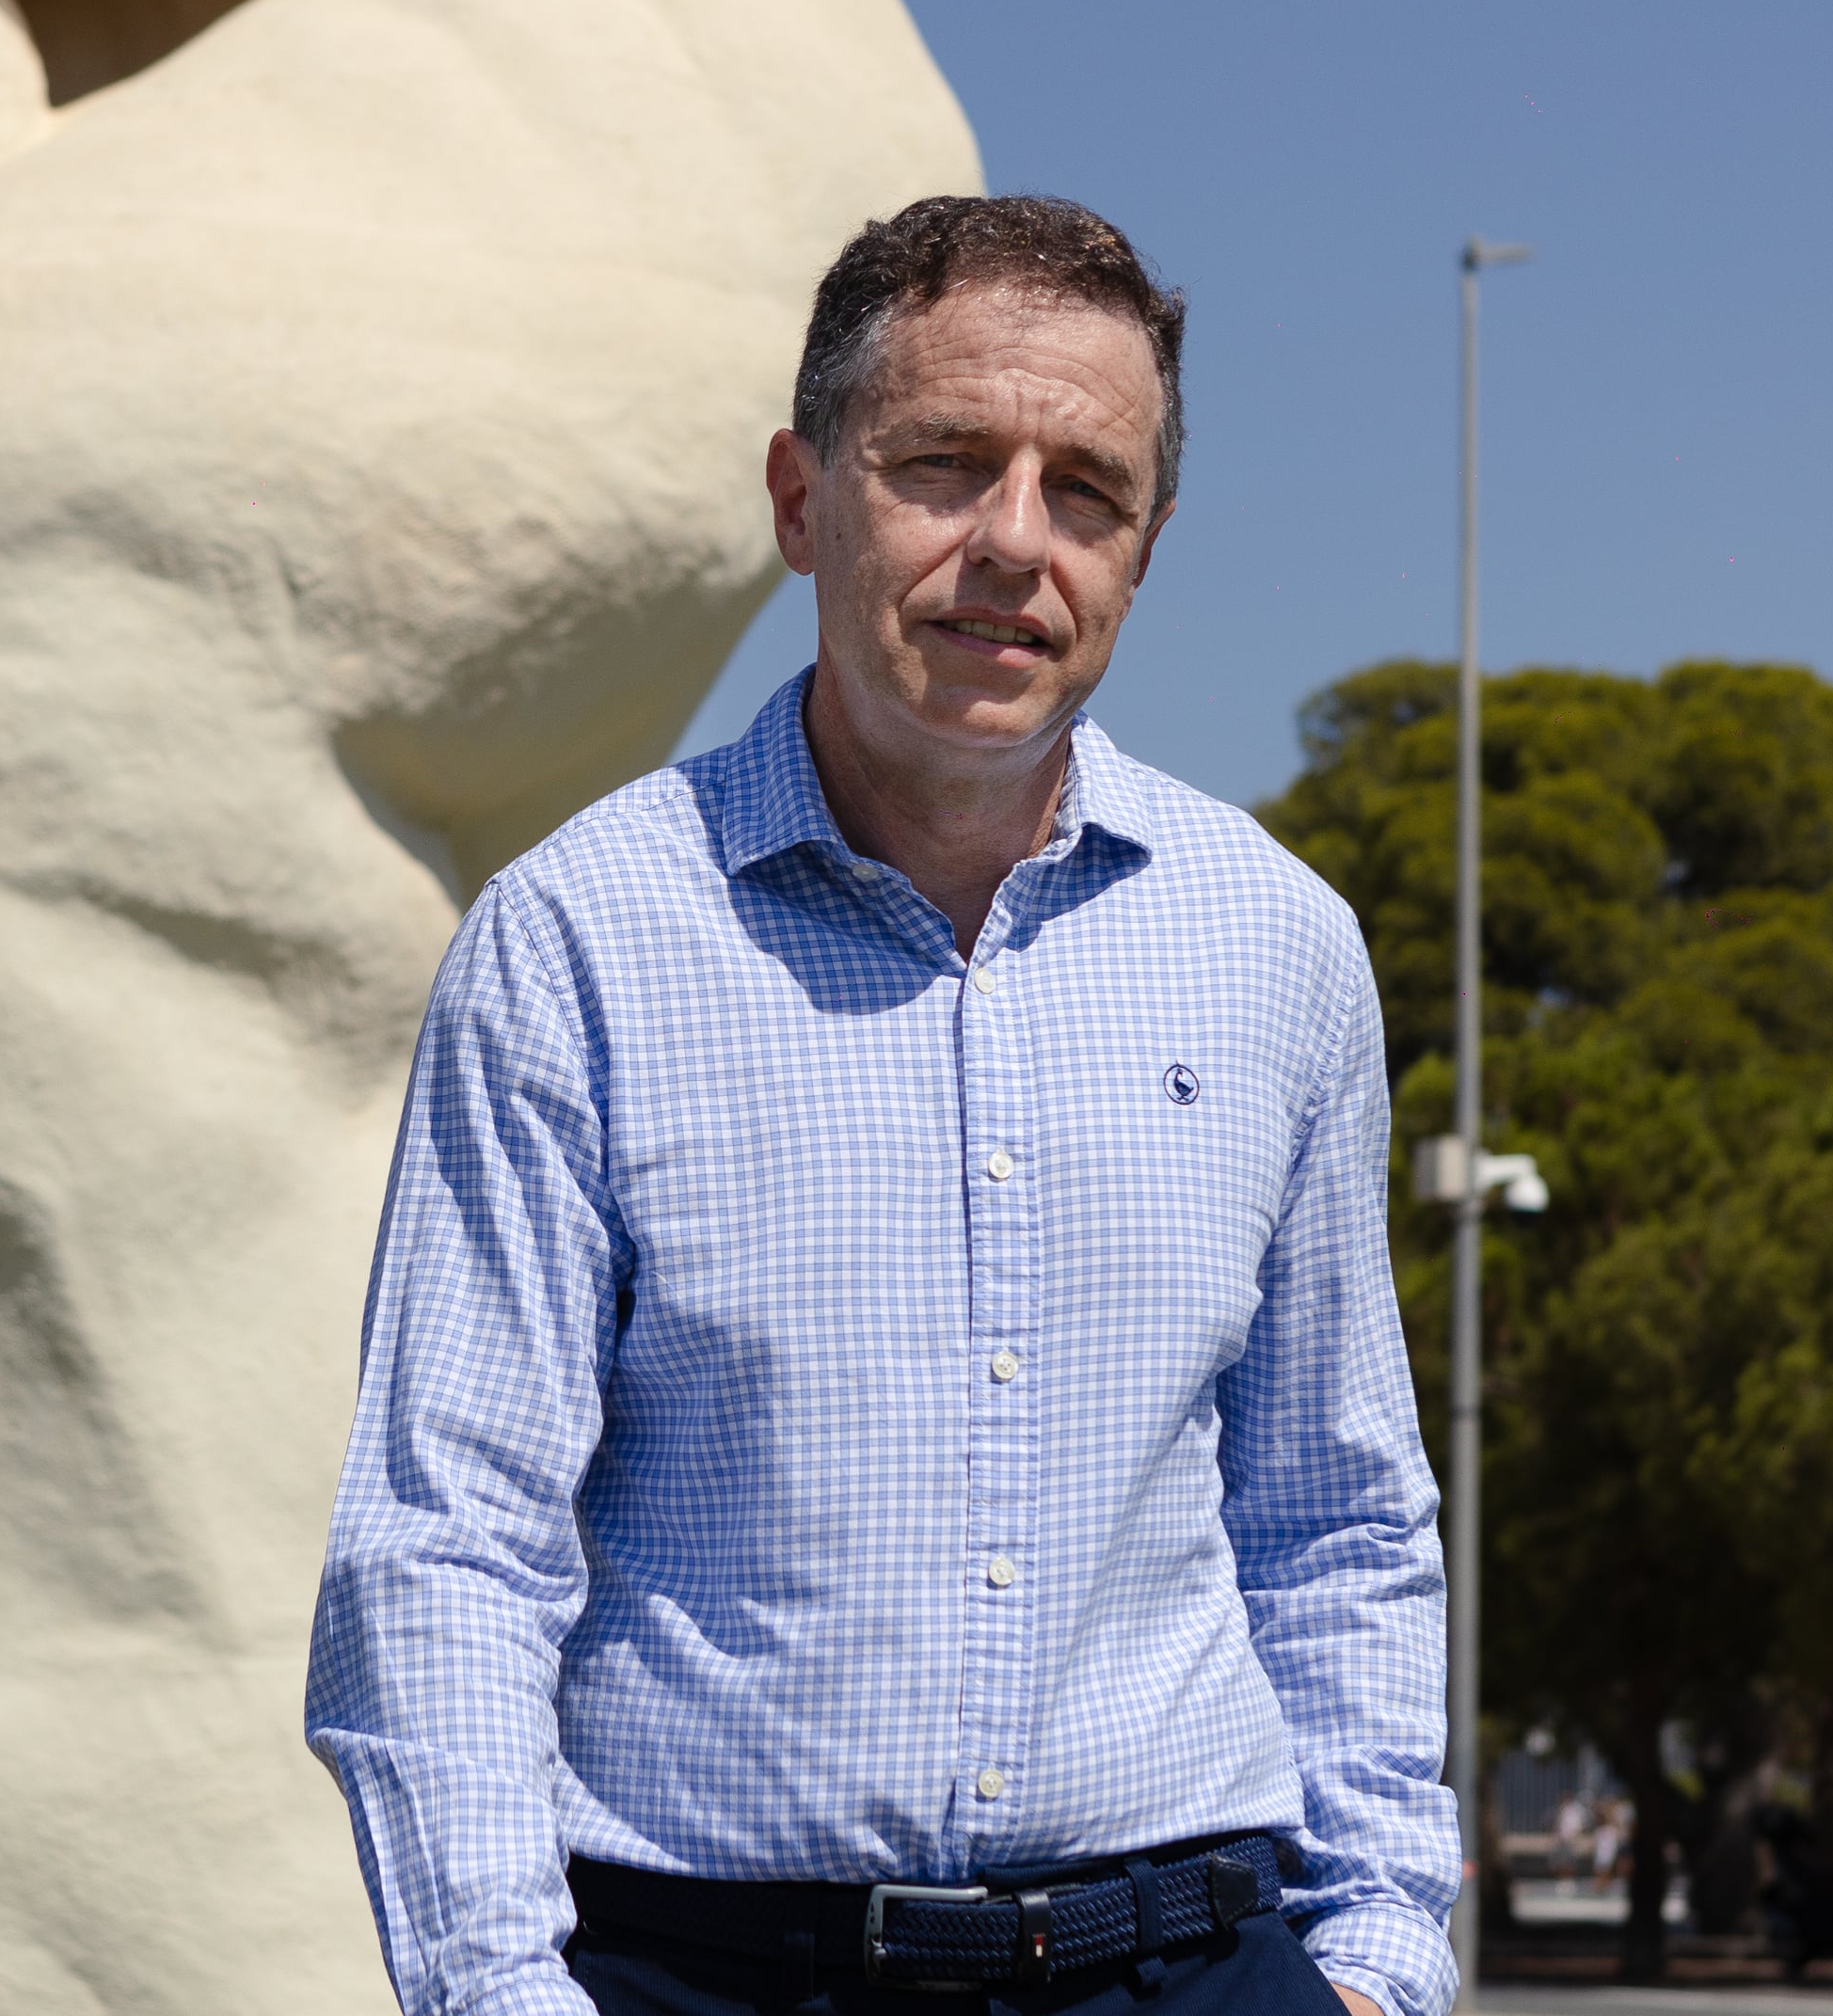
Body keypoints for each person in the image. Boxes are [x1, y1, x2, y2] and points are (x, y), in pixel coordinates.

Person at [307, 195, 1457, 2016]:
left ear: (1144, 546)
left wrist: (1383, 1954)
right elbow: (444, 1547)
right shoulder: (574, 943)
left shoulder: (1276, 948)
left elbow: (1331, 1514)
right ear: (798, 495)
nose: (1014, 542)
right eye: (941, 463)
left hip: (1193, 1964)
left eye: (1086, 487)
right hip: (707, 1972)